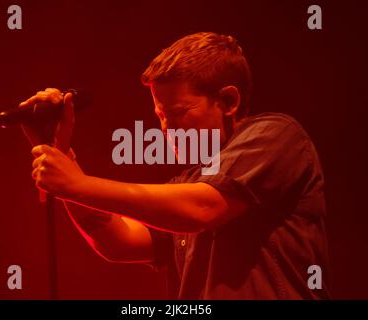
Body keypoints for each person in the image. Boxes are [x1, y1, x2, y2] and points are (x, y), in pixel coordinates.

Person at [19, 32, 330, 299]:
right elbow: (119, 243)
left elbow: (201, 209)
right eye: (161, 115)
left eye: (179, 112)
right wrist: (58, 151)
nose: (166, 128)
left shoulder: (277, 136)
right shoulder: (187, 183)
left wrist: (75, 184)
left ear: (228, 102)